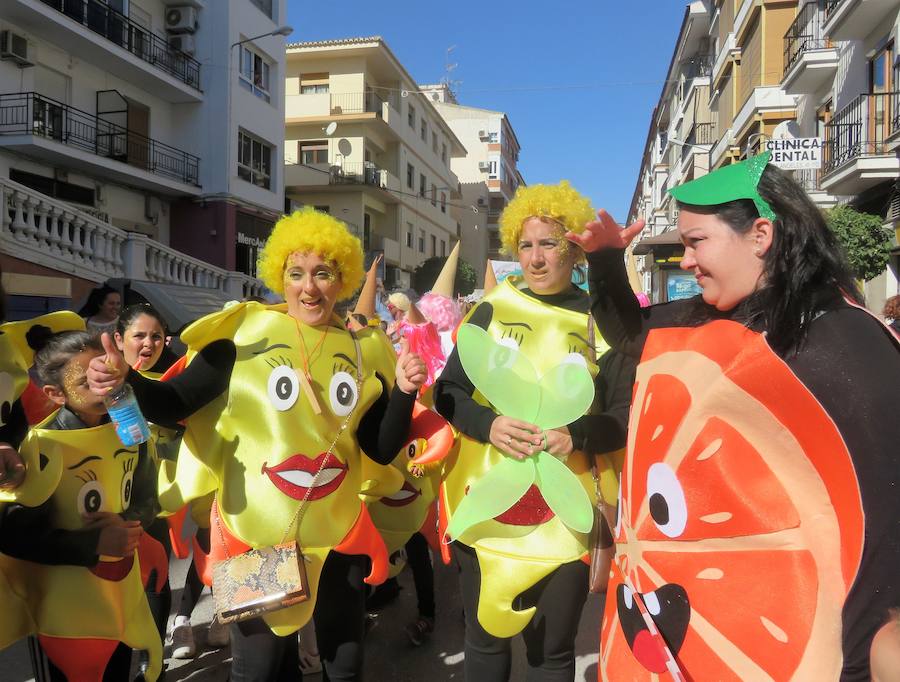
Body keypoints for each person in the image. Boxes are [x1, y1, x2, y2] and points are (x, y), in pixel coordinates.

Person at [570, 152, 900, 681]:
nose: (684, 260)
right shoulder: (708, 317)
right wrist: (607, 261)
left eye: (696, 241)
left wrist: (855, 667)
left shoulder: (844, 343)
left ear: (760, 235)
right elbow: (632, 335)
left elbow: (879, 529)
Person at [86, 208, 427, 681]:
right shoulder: (243, 338)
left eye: (323, 274)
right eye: (297, 273)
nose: (310, 287)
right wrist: (126, 383)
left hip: (339, 536)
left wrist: (406, 394)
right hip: (253, 537)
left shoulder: (359, 349)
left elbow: (379, 447)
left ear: (341, 279)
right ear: (280, 278)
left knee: (345, 667)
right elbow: (173, 402)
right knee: (259, 672)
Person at [433, 181, 635, 681]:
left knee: (552, 653)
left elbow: (626, 415)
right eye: (526, 244)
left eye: (550, 243)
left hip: (564, 516)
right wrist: (488, 424)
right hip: (485, 504)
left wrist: (577, 435)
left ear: (574, 248)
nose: (536, 258)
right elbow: (448, 392)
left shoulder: (600, 319)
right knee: (483, 642)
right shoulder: (491, 308)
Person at [0, 330, 163, 681]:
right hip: (63, 612)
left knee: (118, 669)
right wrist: (93, 544)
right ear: (55, 394)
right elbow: (14, 534)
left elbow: (148, 494)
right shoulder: (39, 448)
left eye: (105, 373)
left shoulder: (129, 431)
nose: (102, 385)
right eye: (87, 381)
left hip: (119, 597)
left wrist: (130, 523)